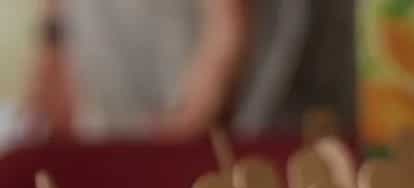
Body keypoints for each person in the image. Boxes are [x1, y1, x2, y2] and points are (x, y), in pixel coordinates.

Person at [21, 0, 355, 140]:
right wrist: (54, 40)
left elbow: (230, 35)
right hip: (115, 36)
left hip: (250, 72)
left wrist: (226, 46)